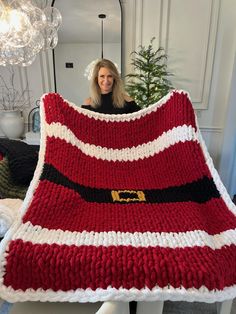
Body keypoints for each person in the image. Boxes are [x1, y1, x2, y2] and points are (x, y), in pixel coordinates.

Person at [82, 59, 139, 314]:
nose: (105, 81)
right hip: (99, 171)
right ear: (96, 79)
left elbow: (143, 128)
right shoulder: (88, 104)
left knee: (128, 221)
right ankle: (104, 282)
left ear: (115, 79)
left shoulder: (126, 103)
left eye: (109, 77)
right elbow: (83, 138)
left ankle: (132, 285)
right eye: (101, 77)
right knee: (103, 222)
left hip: (125, 170)